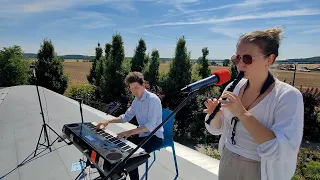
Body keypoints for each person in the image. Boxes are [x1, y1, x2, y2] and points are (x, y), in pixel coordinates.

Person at [203, 28, 304, 180]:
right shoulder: (233, 87)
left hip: (260, 170)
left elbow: (282, 151)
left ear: (269, 60)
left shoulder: (288, 96)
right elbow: (219, 129)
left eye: (247, 59)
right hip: (228, 160)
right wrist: (215, 116)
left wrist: (242, 114)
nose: (240, 64)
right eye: (237, 58)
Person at [96, 71, 164, 180]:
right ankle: (111, 175)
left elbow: (150, 126)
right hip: (141, 133)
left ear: (143, 85)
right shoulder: (136, 101)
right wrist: (108, 121)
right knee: (117, 147)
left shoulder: (153, 100)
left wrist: (128, 132)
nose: (134, 91)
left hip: (155, 136)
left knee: (130, 158)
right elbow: (125, 117)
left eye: (136, 87)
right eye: (131, 89)